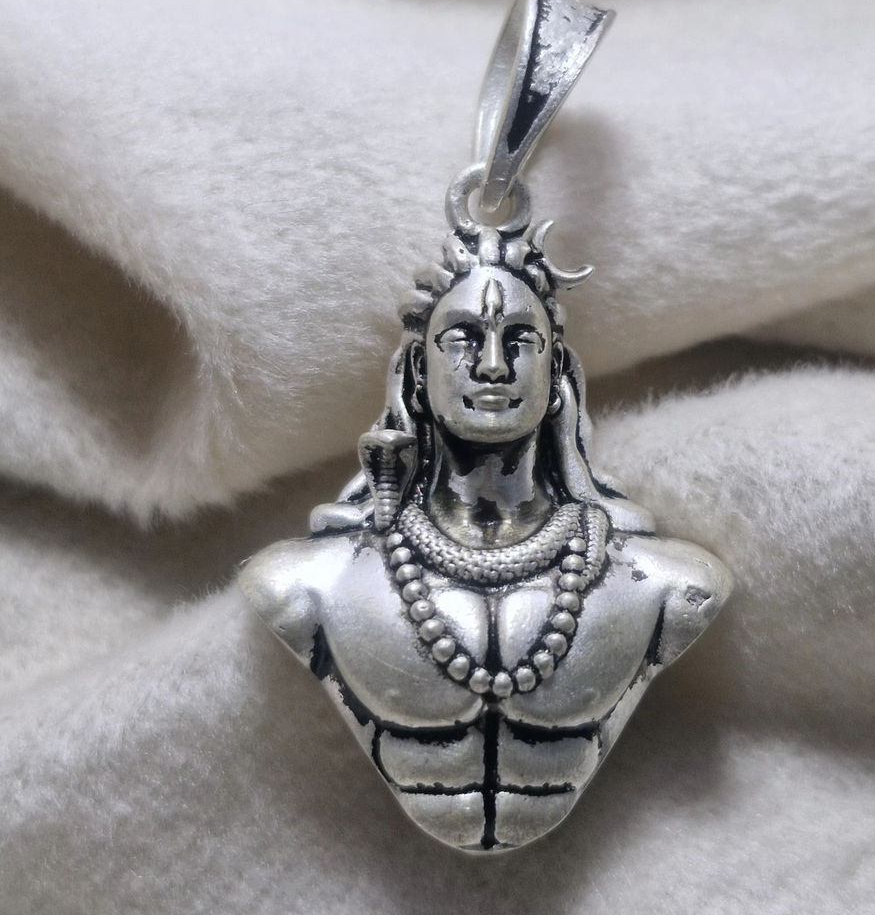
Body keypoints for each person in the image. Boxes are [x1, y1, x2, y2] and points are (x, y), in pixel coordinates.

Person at [239, 221, 733, 852]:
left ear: (556, 372)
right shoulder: (305, 584)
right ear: (418, 372)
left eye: (520, 339)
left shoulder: (667, 585)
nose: (494, 366)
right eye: (463, 338)